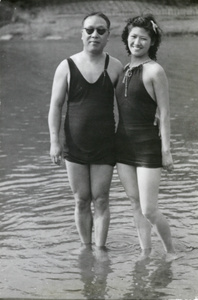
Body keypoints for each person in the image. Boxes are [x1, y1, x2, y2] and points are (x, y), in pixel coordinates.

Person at [48, 12, 123, 249]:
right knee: (81, 199)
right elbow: (55, 106)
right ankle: (85, 247)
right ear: (82, 33)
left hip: (105, 144)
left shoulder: (116, 66)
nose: (94, 35)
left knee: (101, 199)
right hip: (75, 144)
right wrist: (54, 142)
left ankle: (99, 251)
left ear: (108, 36)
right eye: (89, 30)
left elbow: (127, 106)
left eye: (101, 30)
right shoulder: (66, 66)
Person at [116, 14, 176, 260]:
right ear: (126, 39)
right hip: (122, 146)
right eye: (133, 37)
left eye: (143, 38)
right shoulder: (123, 69)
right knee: (134, 203)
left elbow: (165, 113)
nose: (137, 42)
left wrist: (166, 150)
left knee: (149, 209)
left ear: (152, 42)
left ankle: (171, 251)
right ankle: (145, 251)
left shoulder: (155, 70)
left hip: (148, 146)